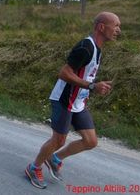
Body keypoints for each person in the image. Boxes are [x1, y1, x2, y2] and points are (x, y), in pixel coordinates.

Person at [25, 12, 121, 189]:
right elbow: (64, 73)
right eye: (115, 26)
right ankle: (33, 167)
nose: (118, 30)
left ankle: (54, 159)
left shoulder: (98, 49)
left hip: (78, 102)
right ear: (101, 27)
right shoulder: (86, 47)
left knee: (91, 141)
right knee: (59, 140)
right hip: (63, 99)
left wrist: (94, 87)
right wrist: (92, 86)